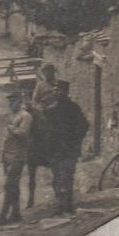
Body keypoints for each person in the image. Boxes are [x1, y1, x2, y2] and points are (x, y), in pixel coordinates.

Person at [49, 80, 89, 215]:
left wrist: (74, 141)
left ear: (65, 92)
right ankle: (60, 205)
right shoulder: (52, 109)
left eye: (59, 90)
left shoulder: (73, 108)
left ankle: (67, 206)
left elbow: (84, 125)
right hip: (55, 150)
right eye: (55, 90)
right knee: (56, 178)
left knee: (66, 177)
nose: (56, 93)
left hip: (69, 150)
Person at [0, 89, 32, 224]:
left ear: (20, 101)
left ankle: (3, 216)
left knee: (9, 185)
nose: (11, 104)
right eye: (10, 101)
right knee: (13, 186)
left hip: (18, 155)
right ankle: (16, 213)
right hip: (7, 155)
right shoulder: (11, 115)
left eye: (14, 101)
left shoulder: (25, 116)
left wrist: (11, 128)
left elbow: (23, 133)